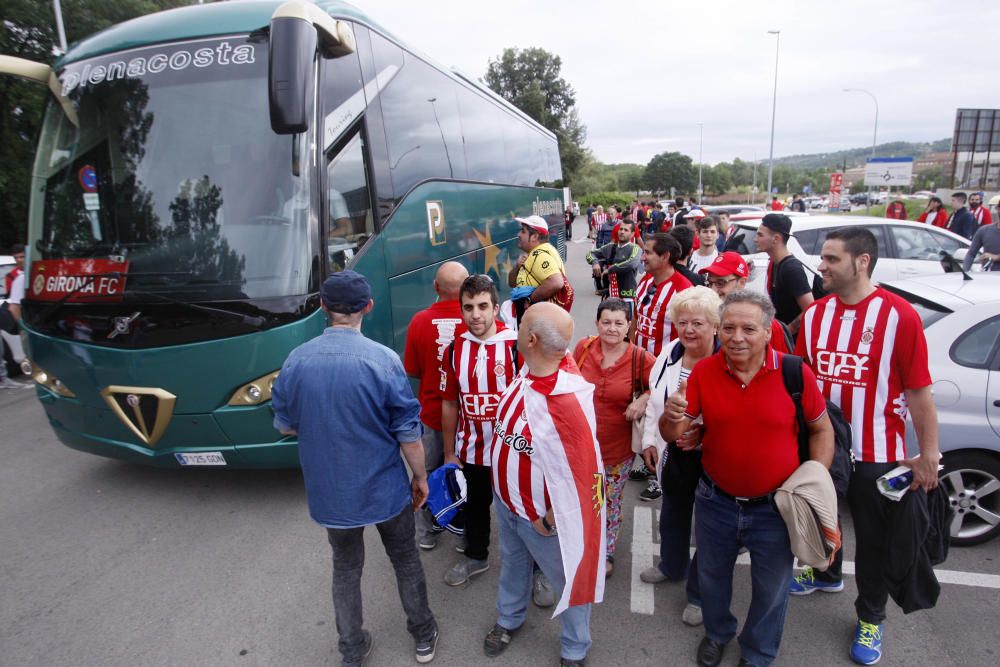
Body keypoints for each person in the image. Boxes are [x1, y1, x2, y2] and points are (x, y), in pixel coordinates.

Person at [271, 271, 439, 666]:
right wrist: (420, 477)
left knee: (345, 567)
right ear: (368, 307)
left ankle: (351, 649)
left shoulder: (296, 361)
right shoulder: (383, 361)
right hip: (385, 487)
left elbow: (286, 423)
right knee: (405, 558)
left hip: (331, 492)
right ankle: (423, 634)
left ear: (323, 307)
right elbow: (408, 434)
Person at [661, 289, 834, 667]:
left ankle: (757, 652)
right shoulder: (705, 371)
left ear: (769, 331)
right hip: (715, 501)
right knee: (712, 577)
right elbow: (674, 436)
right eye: (728, 328)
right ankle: (718, 632)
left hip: (775, 507)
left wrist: (816, 479)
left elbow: (821, 429)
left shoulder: (794, 372)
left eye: (748, 329)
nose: (737, 337)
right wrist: (673, 417)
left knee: (771, 588)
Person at [793, 227, 941, 666]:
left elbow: (919, 392)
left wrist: (929, 454)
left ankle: (871, 617)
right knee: (820, 516)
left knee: (875, 543)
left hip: (877, 455)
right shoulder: (816, 315)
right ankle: (826, 574)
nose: (822, 266)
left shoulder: (900, 316)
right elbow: (802, 381)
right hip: (825, 447)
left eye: (831, 259)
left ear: (861, 262)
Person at [485, 303, 604, 667]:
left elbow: (587, 477)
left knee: (569, 580)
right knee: (513, 565)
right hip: (507, 505)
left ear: (532, 339)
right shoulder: (536, 364)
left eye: (520, 326)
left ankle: (574, 647)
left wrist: (550, 521)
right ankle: (509, 618)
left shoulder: (565, 402)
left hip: (539, 520)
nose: (513, 328)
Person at [638, 287, 722, 629]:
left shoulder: (726, 359)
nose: (688, 330)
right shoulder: (672, 351)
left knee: (710, 528)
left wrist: (703, 431)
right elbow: (654, 399)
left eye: (697, 323)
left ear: (715, 325)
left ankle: (700, 595)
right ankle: (671, 566)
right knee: (672, 514)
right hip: (673, 452)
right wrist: (648, 439)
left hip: (714, 456)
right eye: (682, 322)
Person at [440, 275, 519, 587]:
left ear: (495, 308)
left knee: (522, 511)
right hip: (472, 449)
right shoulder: (454, 350)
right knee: (475, 506)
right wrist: (448, 451)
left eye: (483, 306)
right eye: (468, 307)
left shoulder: (516, 344)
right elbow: (449, 404)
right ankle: (476, 557)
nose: (476, 314)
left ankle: (537, 570)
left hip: (513, 450)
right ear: (460, 310)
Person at [573, 298, 655, 577]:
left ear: (628, 326)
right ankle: (581, 543)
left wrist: (644, 398)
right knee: (582, 497)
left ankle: (605, 551)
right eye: (606, 322)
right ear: (597, 323)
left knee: (609, 500)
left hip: (616, 449)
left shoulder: (639, 358)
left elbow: (659, 386)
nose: (612, 328)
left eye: (619, 323)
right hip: (581, 444)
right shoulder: (583, 349)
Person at [404, 261, 469, 550]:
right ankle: (465, 533)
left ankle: (426, 532)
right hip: (470, 420)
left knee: (425, 475)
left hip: (431, 415)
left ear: (435, 288)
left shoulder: (418, 321)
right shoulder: (480, 319)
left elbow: (413, 370)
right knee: (467, 477)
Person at [701, 252, 789, 353]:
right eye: (710, 283)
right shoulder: (707, 317)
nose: (713, 290)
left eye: (720, 283)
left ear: (741, 283)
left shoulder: (765, 322)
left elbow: (777, 364)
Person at [756, 213, 813, 334]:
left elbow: (810, 308)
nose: (755, 239)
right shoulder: (776, 263)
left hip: (792, 343)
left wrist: (787, 331)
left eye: (760, 235)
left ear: (776, 239)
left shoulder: (791, 268)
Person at [507, 215, 567, 315]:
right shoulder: (534, 254)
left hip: (540, 318)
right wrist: (517, 267)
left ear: (534, 236)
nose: (518, 234)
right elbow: (512, 284)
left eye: (523, 231)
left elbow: (556, 282)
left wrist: (529, 300)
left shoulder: (540, 255)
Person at [585, 221, 642, 308]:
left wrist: (611, 269)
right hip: (610, 295)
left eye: (626, 230)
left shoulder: (635, 248)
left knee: (625, 321)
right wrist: (595, 262)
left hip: (627, 296)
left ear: (632, 234)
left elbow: (632, 263)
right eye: (621, 229)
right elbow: (590, 253)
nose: (622, 232)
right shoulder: (610, 247)